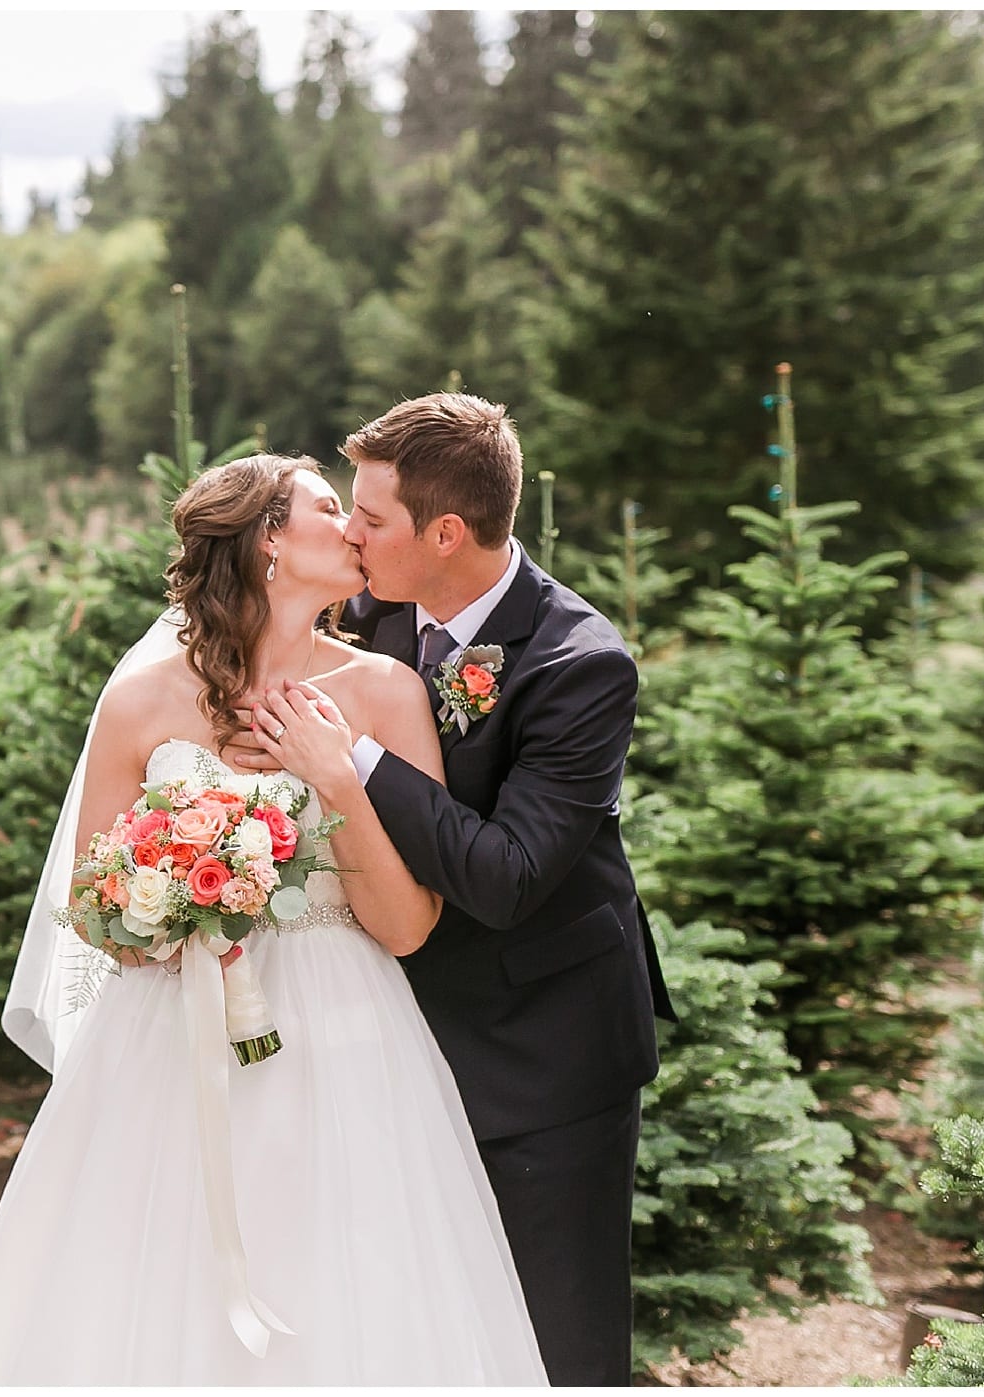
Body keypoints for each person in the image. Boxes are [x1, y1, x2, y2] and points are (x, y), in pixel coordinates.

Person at [0, 455, 549, 1385]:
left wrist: (335, 777)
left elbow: (407, 926)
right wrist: (171, 903)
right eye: (328, 508)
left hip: (345, 1031)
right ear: (268, 538)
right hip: (168, 1031)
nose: (351, 527)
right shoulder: (142, 698)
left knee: (341, 1283)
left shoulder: (385, 691)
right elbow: (89, 908)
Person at [241, 394, 676, 1386]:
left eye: (373, 518)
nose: (350, 532)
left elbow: (508, 876)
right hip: (390, 1042)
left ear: (445, 533)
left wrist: (347, 756)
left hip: (544, 1052)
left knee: (554, 1347)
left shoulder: (582, 663)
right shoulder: (374, 608)